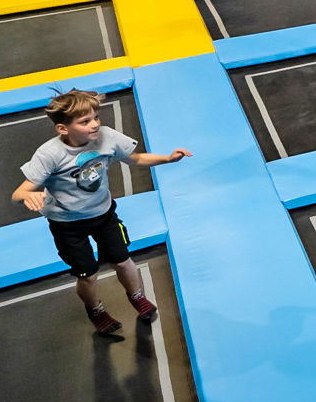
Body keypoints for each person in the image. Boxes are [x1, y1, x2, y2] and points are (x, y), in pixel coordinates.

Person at [12, 89, 192, 335]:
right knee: (88, 276)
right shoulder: (49, 154)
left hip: (104, 215)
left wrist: (168, 159)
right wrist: (28, 195)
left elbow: (136, 159)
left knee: (123, 260)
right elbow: (18, 193)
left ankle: (136, 296)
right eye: (85, 121)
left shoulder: (107, 137)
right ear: (63, 129)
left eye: (96, 117)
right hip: (67, 225)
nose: (95, 124)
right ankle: (95, 309)